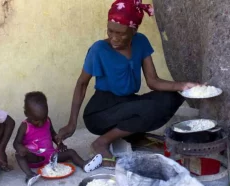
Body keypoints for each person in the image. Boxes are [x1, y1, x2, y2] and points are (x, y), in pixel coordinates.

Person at [57, 0, 200, 168]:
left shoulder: (141, 42)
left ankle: (134, 136)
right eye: (110, 31)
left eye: (121, 33)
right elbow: (82, 84)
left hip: (128, 103)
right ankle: (101, 143)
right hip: (100, 112)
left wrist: (183, 86)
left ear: (134, 31)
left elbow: (153, 81)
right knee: (147, 109)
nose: (114, 38)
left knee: (173, 97)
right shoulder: (99, 50)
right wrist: (72, 123)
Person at [13, 92, 102, 186]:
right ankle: (30, 174)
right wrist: (20, 148)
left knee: (71, 152)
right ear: (27, 114)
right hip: (35, 157)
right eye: (36, 120)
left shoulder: (48, 121)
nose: (41, 123)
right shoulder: (24, 126)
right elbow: (16, 143)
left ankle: (84, 164)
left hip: (51, 156)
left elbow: (52, 134)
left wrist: (60, 143)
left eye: (43, 118)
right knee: (19, 155)